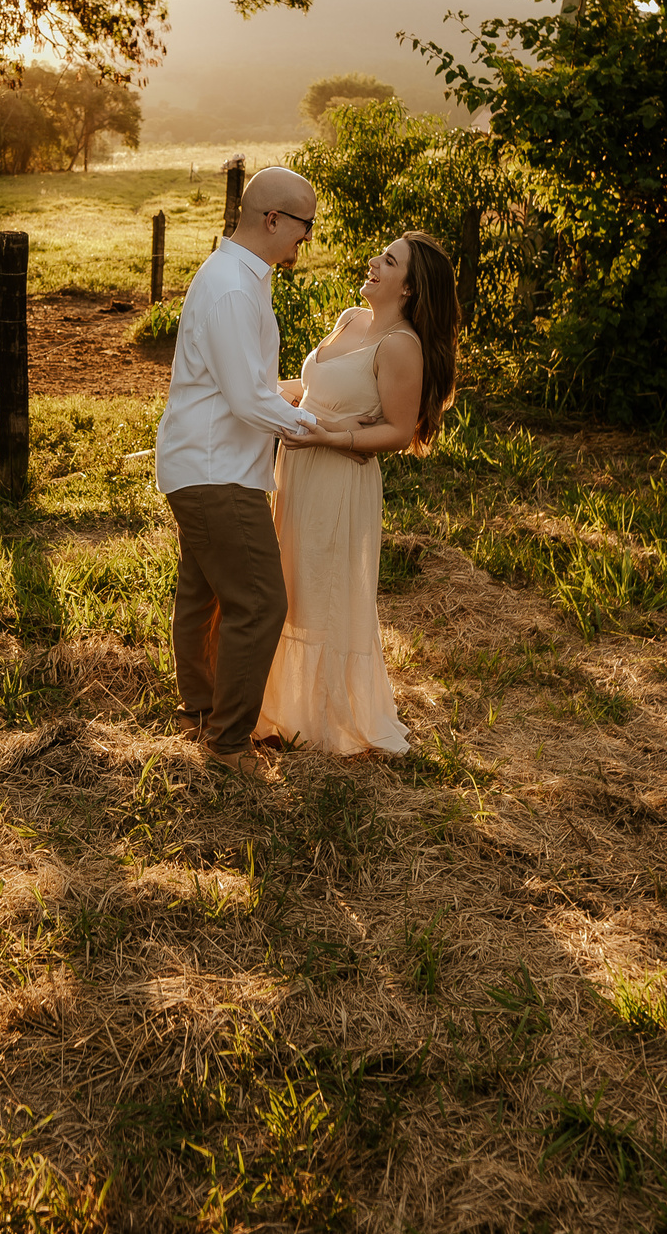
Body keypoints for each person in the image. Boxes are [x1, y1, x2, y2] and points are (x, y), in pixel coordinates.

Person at [257, 230, 460, 756]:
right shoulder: (351, 319)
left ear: (409, 288)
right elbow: (313, 390)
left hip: (338, 478)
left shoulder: (400, 346)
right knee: (291, 582)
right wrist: (257, 392)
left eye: (389, 261)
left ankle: (321, 719)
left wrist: (331, 436)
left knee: (321, 592)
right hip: (298, 469)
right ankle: (280, 707)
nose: (373, 261)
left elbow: (398, 431)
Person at [155, 166, 321, 777]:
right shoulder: (231, 286)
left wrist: (294, 394)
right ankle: (227, 743)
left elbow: (245, 383)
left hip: (209, 462)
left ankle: (200, 712)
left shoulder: (241, 278)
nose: (307, 239)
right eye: (305, 225)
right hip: (216, 469)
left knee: (202, 596)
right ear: (273, 219)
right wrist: (319, 429)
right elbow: (249, 401)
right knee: (260, 601)